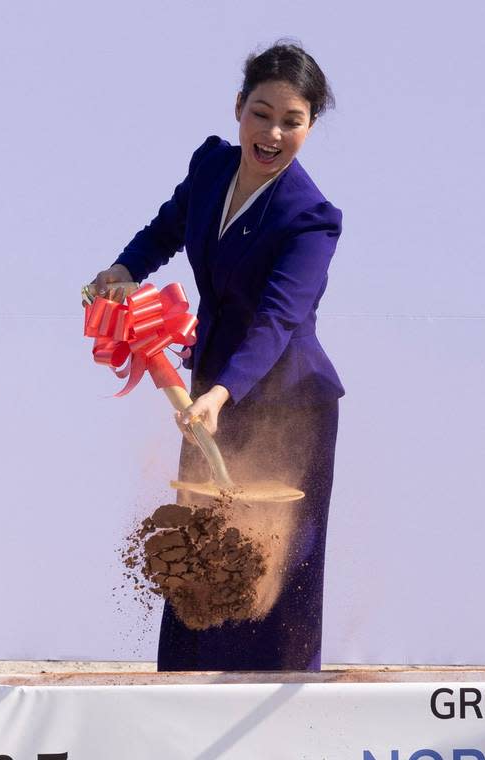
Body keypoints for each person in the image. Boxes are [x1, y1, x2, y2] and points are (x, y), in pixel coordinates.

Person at [87, 41, 344, 671]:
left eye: (293, 120)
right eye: (261, 113)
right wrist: (124, 267)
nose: (273, 133)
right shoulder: (210, 167)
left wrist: (221, 393)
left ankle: (278, 706)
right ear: (238, 108)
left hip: (284, 398)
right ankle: (186, 687)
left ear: (310, 127)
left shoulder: (311, 219)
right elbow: (167, 227)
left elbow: (279, 320)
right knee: (199, 541)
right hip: (208, 391)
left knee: (271, 562)